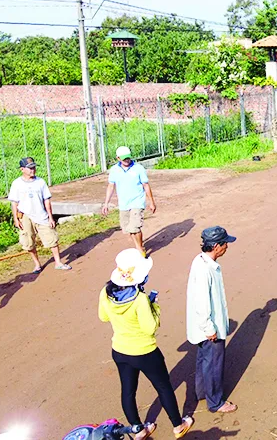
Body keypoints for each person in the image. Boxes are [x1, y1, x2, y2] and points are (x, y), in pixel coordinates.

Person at [99, 248, 194, 439]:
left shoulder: (105, 292)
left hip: (119, 350)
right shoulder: (141, 300)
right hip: (145, 352)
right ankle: (178, 425)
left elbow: (103, 317)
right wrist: (155, 306)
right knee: (163, 387)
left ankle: (138, 430)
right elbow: (150, 328)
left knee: (128, 392)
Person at [186, 226, 238, 414]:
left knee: (203, 360)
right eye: (225, 244)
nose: (227, 247)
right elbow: (202, 302)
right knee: (214, 364)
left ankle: (201, 392)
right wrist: (209, 328)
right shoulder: (205, 270)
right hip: (209, 325)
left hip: (201, 325)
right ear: (216, 246)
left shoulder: (199, 261)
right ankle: (215, 402)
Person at [8, 157, 71, 274]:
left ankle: (58, 262)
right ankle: (37, 264)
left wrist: (50, 217)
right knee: (28, 241)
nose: (33, 169)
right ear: (22, 169)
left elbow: (47, 200)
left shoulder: (40, 182)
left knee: (52, 238)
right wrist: (16, 219)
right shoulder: (16, 184)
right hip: (25, 216)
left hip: (41, 214)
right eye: (30, 168)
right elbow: (14, 203)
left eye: (34, 167)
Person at [102, 146, 156, 257]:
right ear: (118, 158)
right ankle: (139, 246)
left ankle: (140, 249)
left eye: (128, 158)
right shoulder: (114, 170)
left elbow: (146, 185)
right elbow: (111, 186)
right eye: (124, 158)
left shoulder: (138, 168)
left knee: (135, 227)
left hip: (137, 202)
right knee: (128, 228)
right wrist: (106, 203)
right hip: (123, 204)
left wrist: (151, 202)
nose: (127, 160)